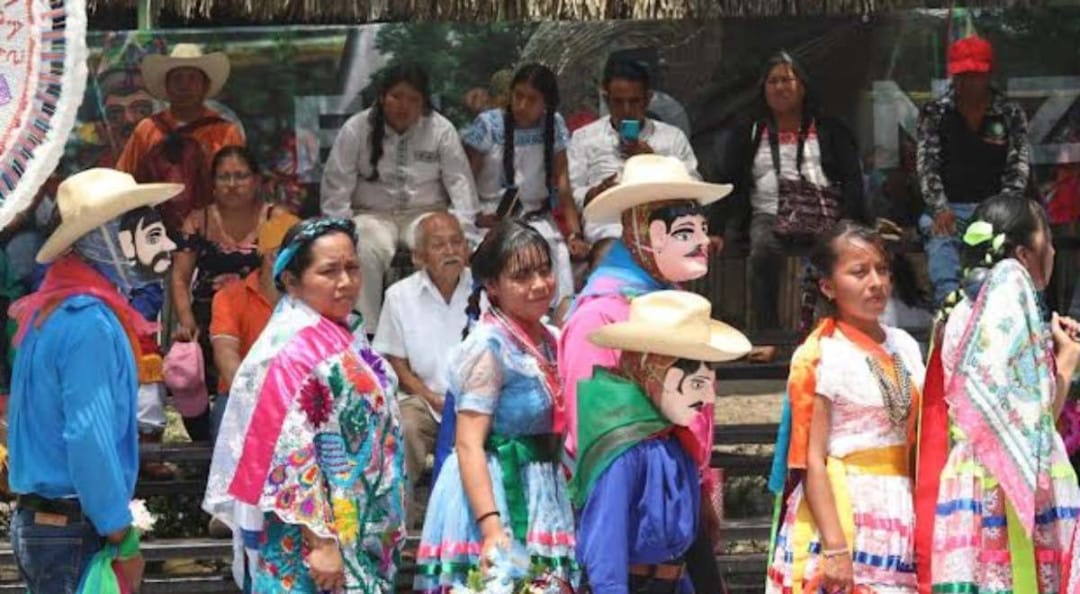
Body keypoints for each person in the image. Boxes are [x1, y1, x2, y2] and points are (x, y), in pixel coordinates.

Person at [204, 218, 406, 593]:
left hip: (354, 520)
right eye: (329, 271)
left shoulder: (341, 330)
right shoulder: (290, 349)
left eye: (352, 268)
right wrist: (322, 542)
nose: (345, 282)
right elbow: (287, 450)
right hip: (311, 536)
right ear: (292, 281)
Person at [560, 153, 731, 592]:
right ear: (645, 233)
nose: (702, 243)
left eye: (703, 229)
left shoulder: (673, 306)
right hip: (631, 528)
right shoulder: (599, 317)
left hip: (676, 513)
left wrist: (695, 491)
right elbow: (597, 447)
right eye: (686, 231)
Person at [6, 168, 183, 594]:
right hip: (71, 528)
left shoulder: (52, 311)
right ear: (105, 238)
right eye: (146, 231)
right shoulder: (90, 323)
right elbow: (89, 436)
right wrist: (120, 531)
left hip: (47, 525)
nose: (167, 246)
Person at [914, 196, 1080, 594]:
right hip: (1014, 483)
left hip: (970, 477)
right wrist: (1068, 362)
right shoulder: (1011, 306)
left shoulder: (959, 312)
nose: (1053, 250)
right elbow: (1031, 420)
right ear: (1023, 254)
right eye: (1047, 239)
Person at [415, 221, 576, 591]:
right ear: (492, 285)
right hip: (496, 488)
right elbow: (468, 443)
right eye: (522, 276)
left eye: (544, 270)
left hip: (543, 484)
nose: (539, 284)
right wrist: (491, 527)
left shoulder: (551, 338)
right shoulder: (489, 346)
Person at [766, 221, 925, 594]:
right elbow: (812, 458)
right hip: (843, 511)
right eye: (859, 272)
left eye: (882, 269)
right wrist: (835, 547)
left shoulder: (904, 345)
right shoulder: (823, 354)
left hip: (900, 508)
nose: (876, 282)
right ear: (827, 286)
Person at [573, 291, 751, 593]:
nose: (708, 398)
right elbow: (606, 549)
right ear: (651, 373)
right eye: (697, 384)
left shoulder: (676, 442)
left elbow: (695, 539)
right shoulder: (624, 453)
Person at [714, 51, 867, 362]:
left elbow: (852, 179)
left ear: (803, 86)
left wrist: (854, 225)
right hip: (769, 213)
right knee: (761, 252)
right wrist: (715, 229)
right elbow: (729, 181)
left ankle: (839, 334)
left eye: (787, 80)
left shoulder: (830, 128)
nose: (780, 87)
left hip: (823, 214)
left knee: (836, 258)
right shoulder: (750, 130)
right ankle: (768, 336)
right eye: (773, 81)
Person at [320, 63, 479, 335]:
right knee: (362, 245)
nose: (404, 106)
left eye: (413, 99)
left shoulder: (441, 130)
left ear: (424, 102)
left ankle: (438, 331)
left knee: (439, 241)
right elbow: (336, 189)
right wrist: (341, 232)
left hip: (426, 212)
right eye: (396, 96)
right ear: (383, 96)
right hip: (371, 215)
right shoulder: (356, 129)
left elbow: (461, 185)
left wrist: (465, 235)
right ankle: (365, 334)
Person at [171, 145, 287, 442]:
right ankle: (202, 439)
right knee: (186, 365)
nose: (232, 184)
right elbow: (180, 277)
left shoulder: (277, 219)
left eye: (241, 176)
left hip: (260, 314)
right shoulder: (198, 220)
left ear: (257, 180)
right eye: (224, 177)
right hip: (206, 315)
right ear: (213, 183)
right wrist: (186, 320)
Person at [372, 211, 472, 528]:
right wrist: (430, 396)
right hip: (425, 400)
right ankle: (401, 520)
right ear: (419, 257)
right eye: (439, 245)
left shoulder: (484, 289)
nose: (450, 251)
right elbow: (394, 359)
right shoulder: (399, 296)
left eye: (456, 242)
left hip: (477, 399)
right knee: (404, 425)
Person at [917, 36, 1031, 308]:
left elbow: (1017, 167)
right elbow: (927, 164)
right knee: (941, 248)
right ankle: (949, 313)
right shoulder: (935, 112)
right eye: (962, 75)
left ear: (988, 74)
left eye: (975, 75)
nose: (968, 82)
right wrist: (940, 207)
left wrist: (1003, 213)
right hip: (950, 210)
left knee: (1003, 264)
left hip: (996, 208)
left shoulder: (1010, 113)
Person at [463, 63, 588, 311]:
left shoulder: (554, 124)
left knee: (558, 258)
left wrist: (575, 234)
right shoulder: (489, 124)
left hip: (535, 219)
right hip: (490, 220)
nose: (522, 105)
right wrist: (473, 217)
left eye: (532, 100)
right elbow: (464, 181)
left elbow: (563, 184)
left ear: (546, 103)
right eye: (518, 96)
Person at [569, 58, 701, 243]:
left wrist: (654, 162)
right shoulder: (585, 138)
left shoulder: (671, 138)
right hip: (607, 224)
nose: (626, 110)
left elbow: (694, 190)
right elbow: (570, 194)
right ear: (606, 100)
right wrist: (596, 192)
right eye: (618, 102)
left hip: (660, 223)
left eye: (634, 101)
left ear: (647, 100)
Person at [117, 44, 244, 233]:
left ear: (205, 86)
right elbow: (123, 181)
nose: (185, 85)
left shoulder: (225, 132)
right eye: (177, 78)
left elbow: (240, 189)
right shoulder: (147, 129)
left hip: (211, 233)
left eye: (192, 78)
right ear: (167, 85)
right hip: (153, 234)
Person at [208, 211, 300, 439]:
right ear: (271, 257)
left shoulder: (310, 299)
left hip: (297, 397)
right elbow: (226, 356)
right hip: (241, 396)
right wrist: (257, 403)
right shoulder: (229, 297)